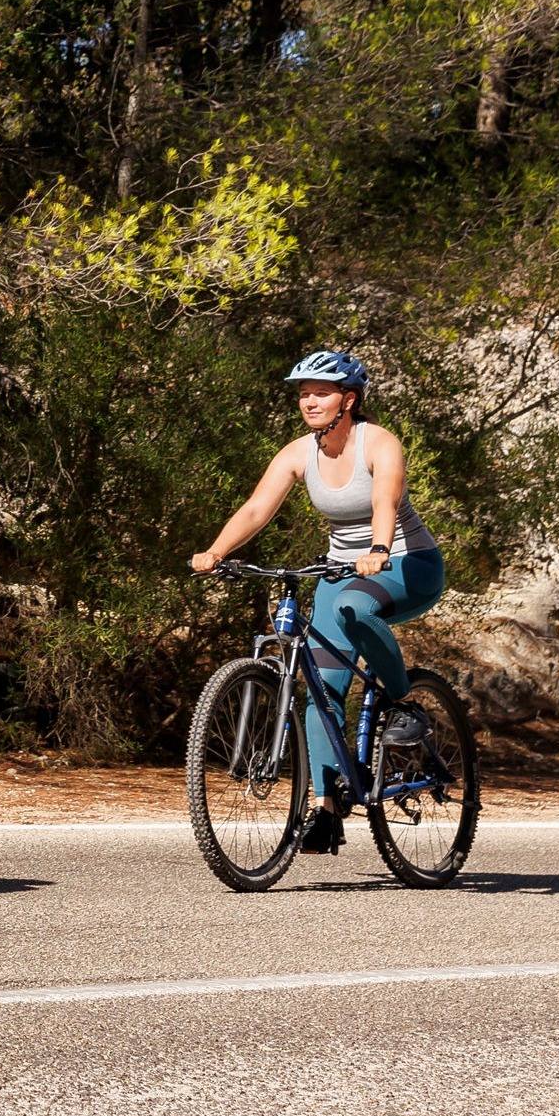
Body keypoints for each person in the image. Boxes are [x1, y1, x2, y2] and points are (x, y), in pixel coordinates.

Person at [191, 350, 446, 855]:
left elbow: (384, 504)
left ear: (348, 400)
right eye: (303, 393)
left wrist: (376, 550)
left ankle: (403, 705)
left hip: (405, 563)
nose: (309, 401)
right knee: (320, 690)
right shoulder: (296, 453)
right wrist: (217, 550)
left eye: (321, 392)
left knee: (355, 608)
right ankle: (328, 810)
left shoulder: (380, 444)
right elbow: (257, 507)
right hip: (340, 570)